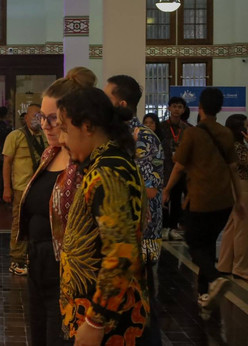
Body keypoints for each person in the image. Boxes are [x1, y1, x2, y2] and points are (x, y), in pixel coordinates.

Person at [57, 87, 148, 345]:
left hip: (110, 324)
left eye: (65, 128)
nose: (62, 139)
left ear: (87, 126)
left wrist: (95, 321)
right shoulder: (111, 162)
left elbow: (120, 252)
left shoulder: (107, 173)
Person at [17, 67, 95, 346]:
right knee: (38, 334)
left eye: (53, 118)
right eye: (42, 117)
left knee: (59, 338)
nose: (46, 125)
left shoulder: (88, 162)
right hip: (39, 263)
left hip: (69, 272)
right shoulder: (50, 153)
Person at [162, 88, 246, 314]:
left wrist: (167, 189)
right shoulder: (226, 133)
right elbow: (233, 168)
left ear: (199, 106)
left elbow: (178, 166)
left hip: (200, 199)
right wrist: (238, 201)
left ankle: (216, 277)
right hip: (224, 200)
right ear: (219, 108)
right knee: (207, 244)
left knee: (194, 241)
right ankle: (204, 293)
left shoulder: (192, 133)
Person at [104, 75, 164, 346]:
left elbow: (148, 190)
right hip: (120, 232)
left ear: (122, 103)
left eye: (108, 99)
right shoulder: (113, 135)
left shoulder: (144, 137)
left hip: (140, 234)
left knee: (141, 300)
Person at [3, 103, 47, 275]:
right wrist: (7, 188)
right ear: (26, 117)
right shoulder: (15, 136)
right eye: (34, 116)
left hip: (39, 188)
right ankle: (17, 259)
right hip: (21, 188)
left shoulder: (44, 137)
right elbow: (7, 162)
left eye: (40, 116)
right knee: (19, 223)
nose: (37, 119)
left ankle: (31, 256)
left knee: (36, 223)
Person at [217, 114, 248, 281]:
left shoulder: (232, 145)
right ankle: (241, 267)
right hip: (242, 187)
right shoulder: (238, 147)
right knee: (243, 229)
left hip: (233, 187)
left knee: (231, 227)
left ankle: (225, 264)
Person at [159, 96, 189, 240]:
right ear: (169, 108)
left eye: (180, 107)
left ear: (183, 110)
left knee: (177, 199)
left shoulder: (187, 128)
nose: (177, 109)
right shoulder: (161, 127)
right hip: (164, 167)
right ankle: (163, 227)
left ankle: (172, 227)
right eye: (174, 106)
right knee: (164, 198)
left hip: (180, 169)